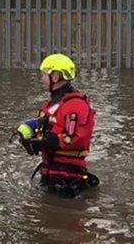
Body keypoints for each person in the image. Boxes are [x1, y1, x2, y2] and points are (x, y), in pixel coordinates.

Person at [12, 53, 99, 198]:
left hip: (66, 179)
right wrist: (28, 133)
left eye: (44, 75)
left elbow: (74, 139)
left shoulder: (75, 105)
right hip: (52, 171)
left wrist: (41, 144)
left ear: (55, 77)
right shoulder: (56, 103)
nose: (41, 79)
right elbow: (48, 124)